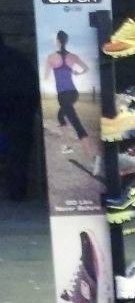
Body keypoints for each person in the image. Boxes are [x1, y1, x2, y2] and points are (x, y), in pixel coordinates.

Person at [43, 30, 99, 174]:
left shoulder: (51, 57)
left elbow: (46, 77)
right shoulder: (73, 57)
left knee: (76, 124)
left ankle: (93, 158)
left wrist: (49, 68)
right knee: (61, 116)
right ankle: (66, 145)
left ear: (57, 41)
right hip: (74, 93)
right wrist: (76, 72)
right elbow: (85, 68)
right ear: (66, 41)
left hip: (63, 95)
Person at [0, 33, 40, 201]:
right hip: (21, 109)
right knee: (18, 151)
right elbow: (31, 86)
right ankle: (17, 192)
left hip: (14, 106)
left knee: (14, 149)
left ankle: (16, 191)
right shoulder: (17, 57)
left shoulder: (16, 58)